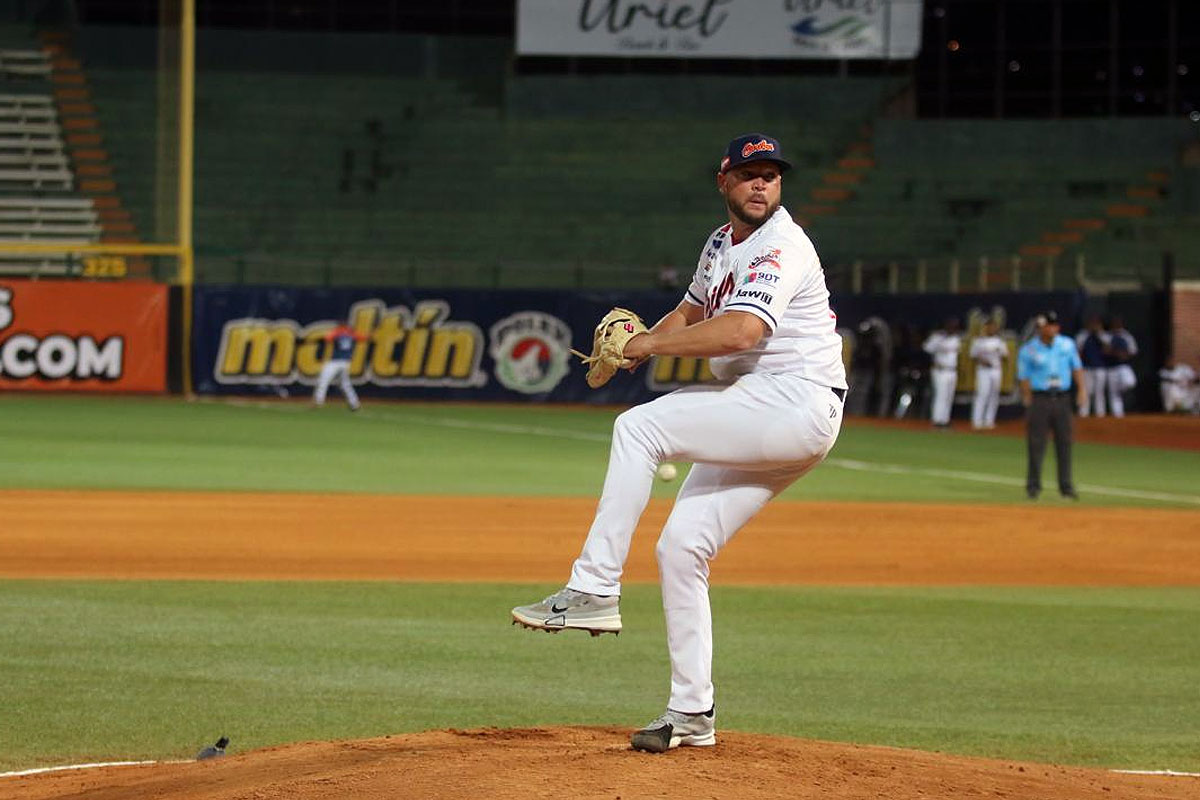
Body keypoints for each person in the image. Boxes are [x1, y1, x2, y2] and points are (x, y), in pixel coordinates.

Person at [510, 133, 847, 753]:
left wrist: (645, 346)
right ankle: (692, 713)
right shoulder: (721, 244)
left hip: (793, 399)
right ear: (724, 181)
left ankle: (594, 587)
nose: (761, 185)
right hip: (764, 408)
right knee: (682, 547)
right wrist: (640, 342)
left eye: (771, 175)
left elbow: (739, 331)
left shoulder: (781, 246)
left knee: (638, 427)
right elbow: (692, 314)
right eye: (749, 174)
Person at [1017, 311, 1086, 500]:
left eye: (1055, 325)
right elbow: (1024, 377)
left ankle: (1066, 487)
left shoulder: (1067, 345)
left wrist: (1082, 390)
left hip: (1063, 398)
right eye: (1048, 325)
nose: (1052, 328)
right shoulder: (1029, 350)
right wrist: (1028, 399)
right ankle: (1033, 486)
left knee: (1065, 443)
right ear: (1041, 328)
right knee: (1036, 444)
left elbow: (1076, 367)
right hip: (1040, 398)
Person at [313, 323, 366, 410]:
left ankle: (319, 401)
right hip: (345, 363)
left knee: (323, 380)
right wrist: (351, 333)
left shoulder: (338, 333)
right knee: (345, 385)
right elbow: (363, 337)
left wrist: (338, 332)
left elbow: (328, 338)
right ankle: (355, 404)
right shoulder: (351, 334)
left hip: (335, 362)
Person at [922, 317, 962, 427]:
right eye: (951, 325)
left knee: (949, 396)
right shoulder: (937, 337)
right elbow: (926, 348)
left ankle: (945, 419)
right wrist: (937, 345)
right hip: (940, 370)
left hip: (952, 370)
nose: (953, 328)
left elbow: (958, 354)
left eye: (955, 326)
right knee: (941, 395)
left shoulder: (956, 339)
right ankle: (937, 419)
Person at [969, 319, 1006, 429]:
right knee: (982, 394)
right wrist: (982, 360)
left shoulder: (999, 341)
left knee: (994, 395)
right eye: (989, 327)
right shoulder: (978, 341)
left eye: (994, 327)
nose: (991, 329)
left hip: (996, 369)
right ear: (985, 328)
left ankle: (989, 421)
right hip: (983, 370)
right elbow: (973, 356)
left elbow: (1005, 356)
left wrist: (996, 355)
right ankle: (977, 421)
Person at [1074, 315, 1110, 417]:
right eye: (1092, 322)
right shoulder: (1082, 335)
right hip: (1086, 368)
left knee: (1099, 393)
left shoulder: (1104, 335)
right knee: (1086, 391)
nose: (1094, 325)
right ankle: (1083, 414)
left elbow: (1108, 349)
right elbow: (1077, 352)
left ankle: (1100, 414)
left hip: (1100, 368)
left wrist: (1098, 334)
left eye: (1096, 323)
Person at [1104, 316, 1138, 418]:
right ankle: (1118, 416)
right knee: (1114, 395)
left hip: (1124, 367)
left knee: (1130, 382)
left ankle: (1121, 390)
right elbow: (1105, 350)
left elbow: (1133, 351)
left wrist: (1124, 354)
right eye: (1114, 323)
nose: (1116, 325)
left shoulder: (1126, 336)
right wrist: (1115, 353)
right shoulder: (1107, 336)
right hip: (1111, 367)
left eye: (1118, 323)